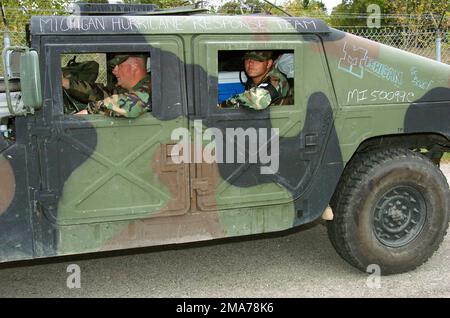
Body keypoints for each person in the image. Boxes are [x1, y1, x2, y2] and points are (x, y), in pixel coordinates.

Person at [62, 54, 151, 118]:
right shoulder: (125, 89)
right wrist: (67, 83)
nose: (114, 71)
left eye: (118, 66)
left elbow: (133, 106)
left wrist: (90, 111)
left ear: (134, 67)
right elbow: (100, 93)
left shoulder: (151, 87)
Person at [219, 51, 290, 110]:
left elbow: (258, 99)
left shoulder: (275, 80)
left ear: (268, 63)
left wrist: (221, 106)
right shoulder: (255, 78)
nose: (250, 63)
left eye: (257, 60)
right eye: (247, 59)